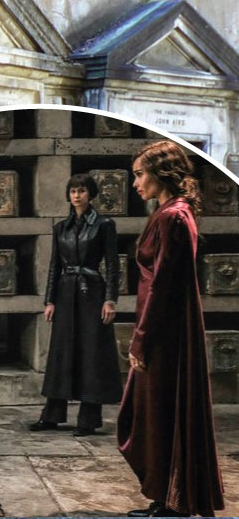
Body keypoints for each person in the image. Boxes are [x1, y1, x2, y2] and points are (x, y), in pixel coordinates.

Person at [118, 140, 224, 517]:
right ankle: (166, 496)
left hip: (165, 333)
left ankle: (175, 502)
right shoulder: (166, 212)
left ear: (162, 173)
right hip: (160, 326)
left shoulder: (173, 217)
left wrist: (142, 340)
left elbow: (163, 285)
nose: (135, 183)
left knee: (159, 411)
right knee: (152, 411)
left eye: (140, 174)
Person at [30, 173, 122, 436]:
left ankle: (88, 420)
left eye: (81, 191)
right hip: (66, 292)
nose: (77, 195)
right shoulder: (61, 228)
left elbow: (113, 265)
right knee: (61, 352)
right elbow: (54, 266)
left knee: (91, 353)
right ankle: (52, 416)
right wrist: (49, 300)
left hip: (92, 292)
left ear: (90, 194)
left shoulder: (104, 225)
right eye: (72, 191)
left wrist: (110, 299)